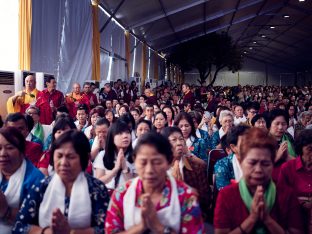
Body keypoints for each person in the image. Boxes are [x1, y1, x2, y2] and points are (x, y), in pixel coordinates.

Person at [105, 132, 204, 233]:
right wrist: (140, 227)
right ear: (135, 160)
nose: (149, 170)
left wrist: (158, 226)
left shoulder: (185, 196)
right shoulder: (121, 193)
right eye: (143, 162)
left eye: (157, 162)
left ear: (169, 162)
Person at [13, 130, 109, 234]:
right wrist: (46, 232)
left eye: (71, 157)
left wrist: (71, 232)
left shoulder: (96, 188)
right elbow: (19, 226)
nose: (63, 163)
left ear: (84, 159)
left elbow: (107, 229)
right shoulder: (41, 186)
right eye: (59, 156)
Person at [214, 128, 304, 233]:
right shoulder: (227, 195)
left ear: (273, 163)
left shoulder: (286, 194)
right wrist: (252, 219)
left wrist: (267, 220)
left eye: (265, 164)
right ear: (240, 161)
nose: (258, 170)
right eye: (252, 163)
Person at [0, 127, 44, 233]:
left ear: (22, 151)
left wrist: (6, 211)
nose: (2, 154)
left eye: (10, 148)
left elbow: (37, 221)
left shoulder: (36, 180)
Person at [161, 127, 211, 219]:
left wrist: (185, 191)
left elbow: (205, 200)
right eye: (174, 140)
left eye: (181, 139)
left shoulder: (195, 167)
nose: (179, 143)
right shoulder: (158, 169)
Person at [278, 129, 312, 233]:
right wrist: (300, 203)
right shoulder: (288, 168)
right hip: (294, 218)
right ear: (300, 149)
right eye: (310, 149)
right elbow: (281, 197)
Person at [93, 121, 135, 192]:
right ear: (112, 137)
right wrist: (115, 169)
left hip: (127, 196)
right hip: (107, 196)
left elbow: (136, 185)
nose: (125, 136)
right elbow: (98, 183)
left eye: (127, 133)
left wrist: (125, 168)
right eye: (120, 133)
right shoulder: (103, 155)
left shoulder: (136, 156)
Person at [214, 125, 250, 191]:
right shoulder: (222, 165)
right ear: (233, 147)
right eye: (245, 143)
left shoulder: (260, 160)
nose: (250, 146)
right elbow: (225, 192)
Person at [267, 109, 295, 181]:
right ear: (270, 124)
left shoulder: (289, 138)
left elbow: (298, 163)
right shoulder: (262, 140)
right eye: (277, 124)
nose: (280, 127)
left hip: (289, 179)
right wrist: (276, 157)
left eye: (283, 124)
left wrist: (287, 157)